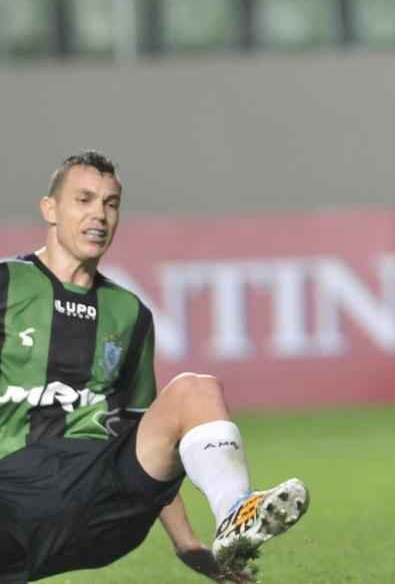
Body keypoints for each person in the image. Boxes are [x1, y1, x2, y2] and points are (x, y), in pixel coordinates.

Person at [0, 152, 308, 583]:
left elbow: (143, 430)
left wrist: (189, 546)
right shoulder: (8, 284)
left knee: (195, 391)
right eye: (84, 200)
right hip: (14, 496)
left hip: (102, 497)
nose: (99, 215)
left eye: (111, 203)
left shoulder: (130, 312)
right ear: (49, 209)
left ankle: (235, 514)